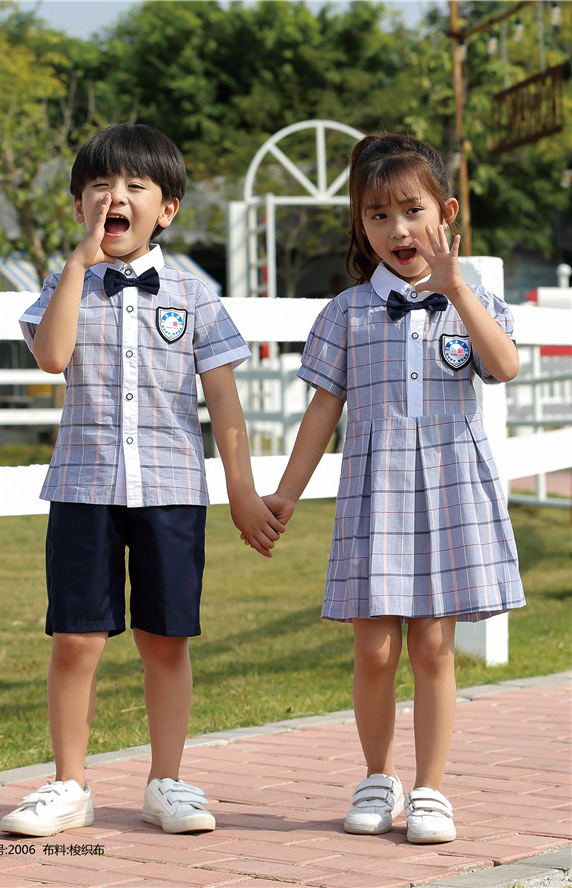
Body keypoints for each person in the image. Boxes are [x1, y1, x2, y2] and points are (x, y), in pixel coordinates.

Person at [0, 123, 285, 838]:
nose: (115, 197)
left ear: (168, 208)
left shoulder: (194, 294)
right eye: (100, 186)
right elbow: (52, 356)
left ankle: (168, 782)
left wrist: (242, 492)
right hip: (84, 490)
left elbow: (224, 403)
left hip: (172, 492)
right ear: (79, 205)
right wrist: (78, 264)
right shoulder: (63, 284)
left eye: (134, 185)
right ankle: (69, 784)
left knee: (165, 639)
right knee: (76, 639)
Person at [262, 133, 525, 844]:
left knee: (434, 648)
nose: (398, 230)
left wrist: (457, 288)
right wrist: (285, 493)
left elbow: (504, 368)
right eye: (378, 216)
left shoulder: (473, 303)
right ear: (361, 224)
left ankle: (432, 789)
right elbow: (323, 410)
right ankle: (378, 777)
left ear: (446, 213)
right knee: (374, 650)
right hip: (375, 493)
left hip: (449, 488)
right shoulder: (347, 311)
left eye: (412, 211)